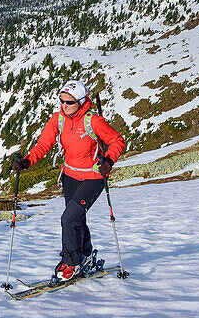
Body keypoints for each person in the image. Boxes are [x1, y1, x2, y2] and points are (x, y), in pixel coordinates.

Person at [11, 80, 126, 281]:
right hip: (70, 175)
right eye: (61, 101)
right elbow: (43, 145)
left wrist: (109, 160)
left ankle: (71, 263)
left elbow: (117, 140)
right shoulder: (59, 119)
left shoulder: (93, 121)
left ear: (81, 102)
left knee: (68, 219)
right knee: (76, 219)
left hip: (93, 177)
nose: (64, 105)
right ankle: (85, 256)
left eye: (69, 102)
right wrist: (28, 161)